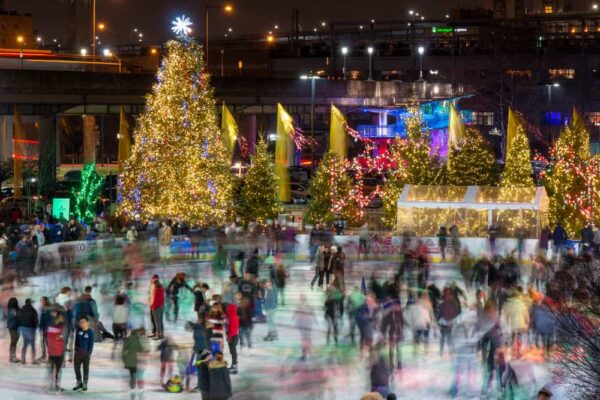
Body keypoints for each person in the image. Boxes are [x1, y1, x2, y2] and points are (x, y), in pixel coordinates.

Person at [122, 328, 148, 400]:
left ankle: (132, 389)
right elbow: (141, 349)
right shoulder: (137, 339)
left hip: (129, 361)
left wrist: (124, 359)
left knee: (132, 376)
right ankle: (140, 390)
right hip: (136, 360)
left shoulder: (127, 339)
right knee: (139, 376)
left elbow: (124, 350)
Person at [73, 316, 94, 392]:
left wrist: (89, 352)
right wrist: (75, 350)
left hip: (86, 354)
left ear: (87, 323)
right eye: (80, 322)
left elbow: (91, 343)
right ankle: (79, 382)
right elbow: (76, 341)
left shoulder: (90, 332)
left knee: (86, 369)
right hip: (78, 353)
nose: (81, 324)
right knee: (76, 368)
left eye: (83, 322)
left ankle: (85, 383)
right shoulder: (78, 330)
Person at [47, 310, 66, 393]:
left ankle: (53, 385)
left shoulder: (53, 326)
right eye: (61, 317)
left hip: (54, 351)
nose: (63, 318)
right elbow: (57, 338)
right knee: (56, 369)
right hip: (56, 351)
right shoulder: (57, 328)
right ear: (58, 317)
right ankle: (55, 386)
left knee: (54, 369)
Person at [18, 298, 39, 365]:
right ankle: (33, 360)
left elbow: (19, 318)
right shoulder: (33, 310)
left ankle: (23, 360)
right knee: (32, 345)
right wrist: (35, 326)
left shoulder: (21, 310)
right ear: (30, 303)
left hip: (23, 328)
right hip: (31, 329)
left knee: (25, 344)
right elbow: (36, 320)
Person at [112, 293, 129, 359]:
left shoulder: (114, 308)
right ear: (124, 301)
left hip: (115, 324)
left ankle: (113, 353)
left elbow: (113, 316)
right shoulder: (125, 308)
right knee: (124, 339)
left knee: (116, 339)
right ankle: (123, 353)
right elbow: (126, 317)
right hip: (123, 325)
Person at [224, 302, 239, 374]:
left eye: (227, 309)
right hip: (232, 336)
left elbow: (233, 330)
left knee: (233, 352)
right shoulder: (231, 316)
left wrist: (229, 337)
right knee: (232, 352)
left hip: (233, 337)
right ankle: (233, 365)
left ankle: (235, 367)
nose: (226, 310)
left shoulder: (232, 318)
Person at [7, 297, 20, 363]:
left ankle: (12, 356)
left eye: (13, 301)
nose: (12, 303)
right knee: (13, 341)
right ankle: (12, 357)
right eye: (12, 301)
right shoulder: (11, 310)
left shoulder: (14, 309)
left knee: (14, 342)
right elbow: (17, 316)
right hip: (12, 328)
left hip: (16, 327)